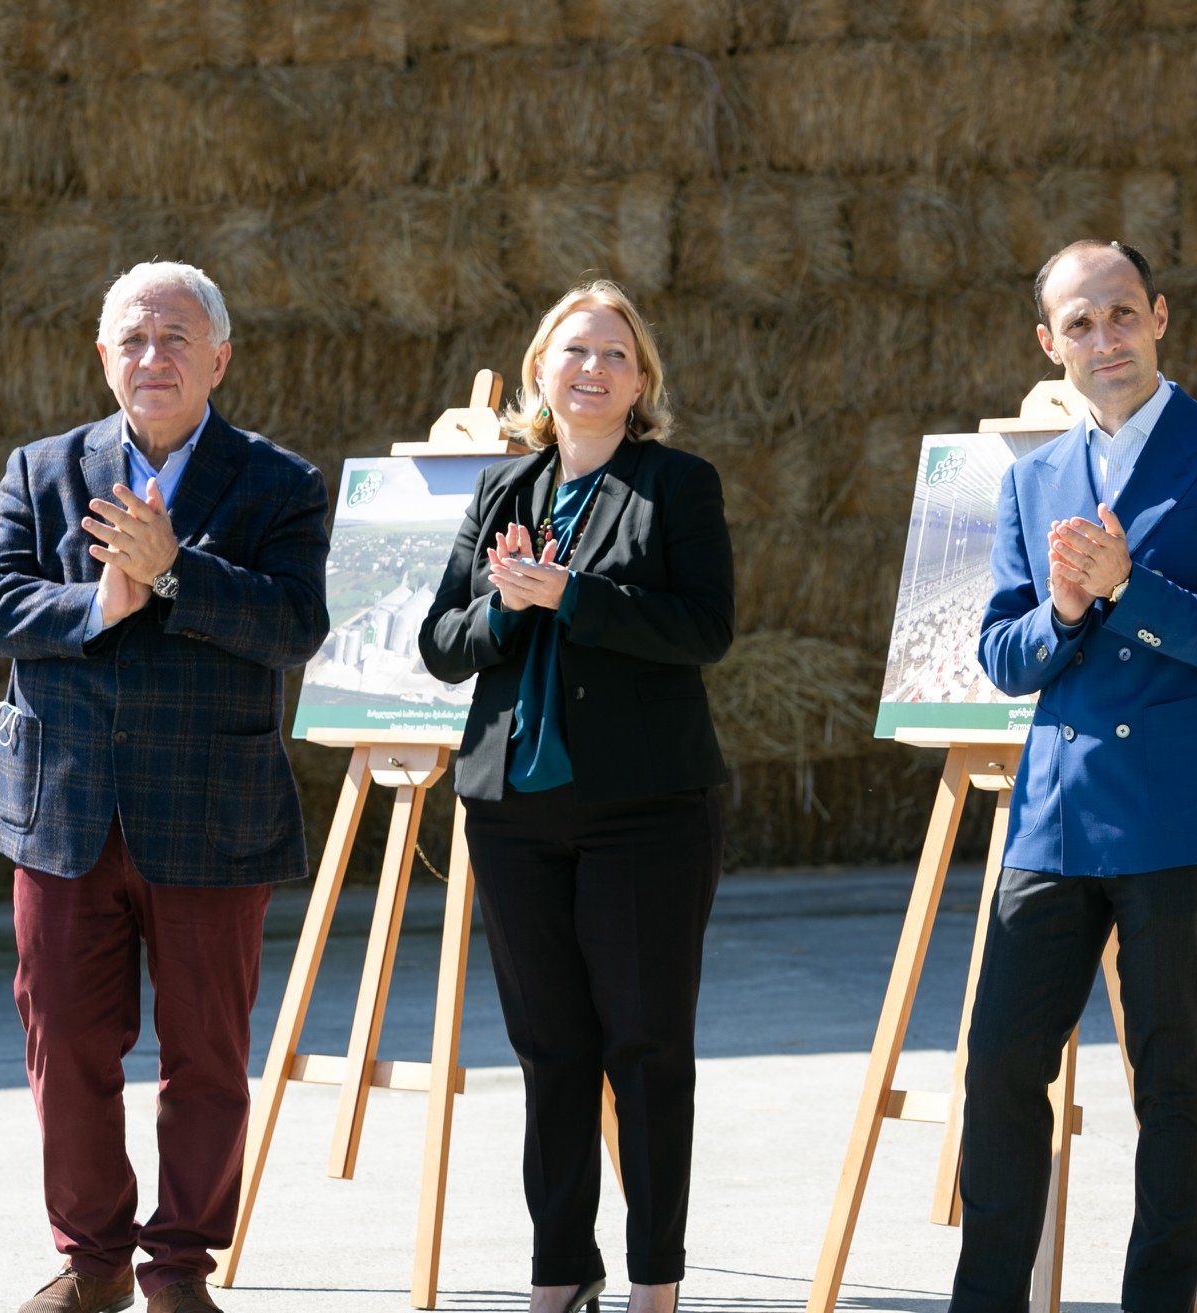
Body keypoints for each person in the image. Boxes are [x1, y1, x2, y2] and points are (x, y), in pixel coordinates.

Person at [0, 261, 329, 1313]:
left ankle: (178, 1270)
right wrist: (95, 606)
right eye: (132, 338)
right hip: (64, 813)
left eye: (175, 338)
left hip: (211, 812)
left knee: (206, 1053)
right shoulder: (42, 468)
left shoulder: (279, 483)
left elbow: (295, 624)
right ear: (103, 356)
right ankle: (93, 1260)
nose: (151, 356)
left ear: (220, 359)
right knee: (66, 1040)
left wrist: (175, 572)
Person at [953, 240, 1197, 1313]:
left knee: (1174, 1075)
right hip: (1054, 819)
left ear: (1160, 317)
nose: (1105, 338)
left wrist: (1127, 588)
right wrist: (1062, 611)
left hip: (1179, 817)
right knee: (999, 1066)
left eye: (1122, 314)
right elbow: (1003, 653)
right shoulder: (1031, 477)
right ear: (1047, 344)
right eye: (1080, 323)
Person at [419, 281, 734, 1313]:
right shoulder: (501, 489)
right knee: (549, 1050)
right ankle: (561, 1268)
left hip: (646, 809)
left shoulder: (676, 485)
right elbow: (442, 643)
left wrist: (574, 596)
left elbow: (705, 629)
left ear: (641, 383)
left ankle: (655, 1280)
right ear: (540, 373)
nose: (592, 368)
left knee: (645, 1048)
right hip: (512, 811)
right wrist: (508, 610)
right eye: (574, 351)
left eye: (614, 354)